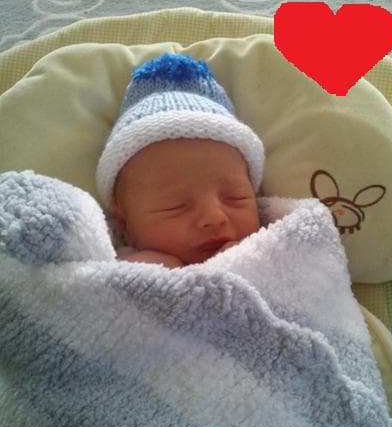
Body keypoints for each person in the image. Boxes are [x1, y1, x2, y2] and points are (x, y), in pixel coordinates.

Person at [96, 52, 265, 268]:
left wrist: (256, 265)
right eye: (176, 206)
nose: (214, 217)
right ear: (125, 224)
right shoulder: (106, 265)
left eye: (235, 197)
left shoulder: (278, 242)